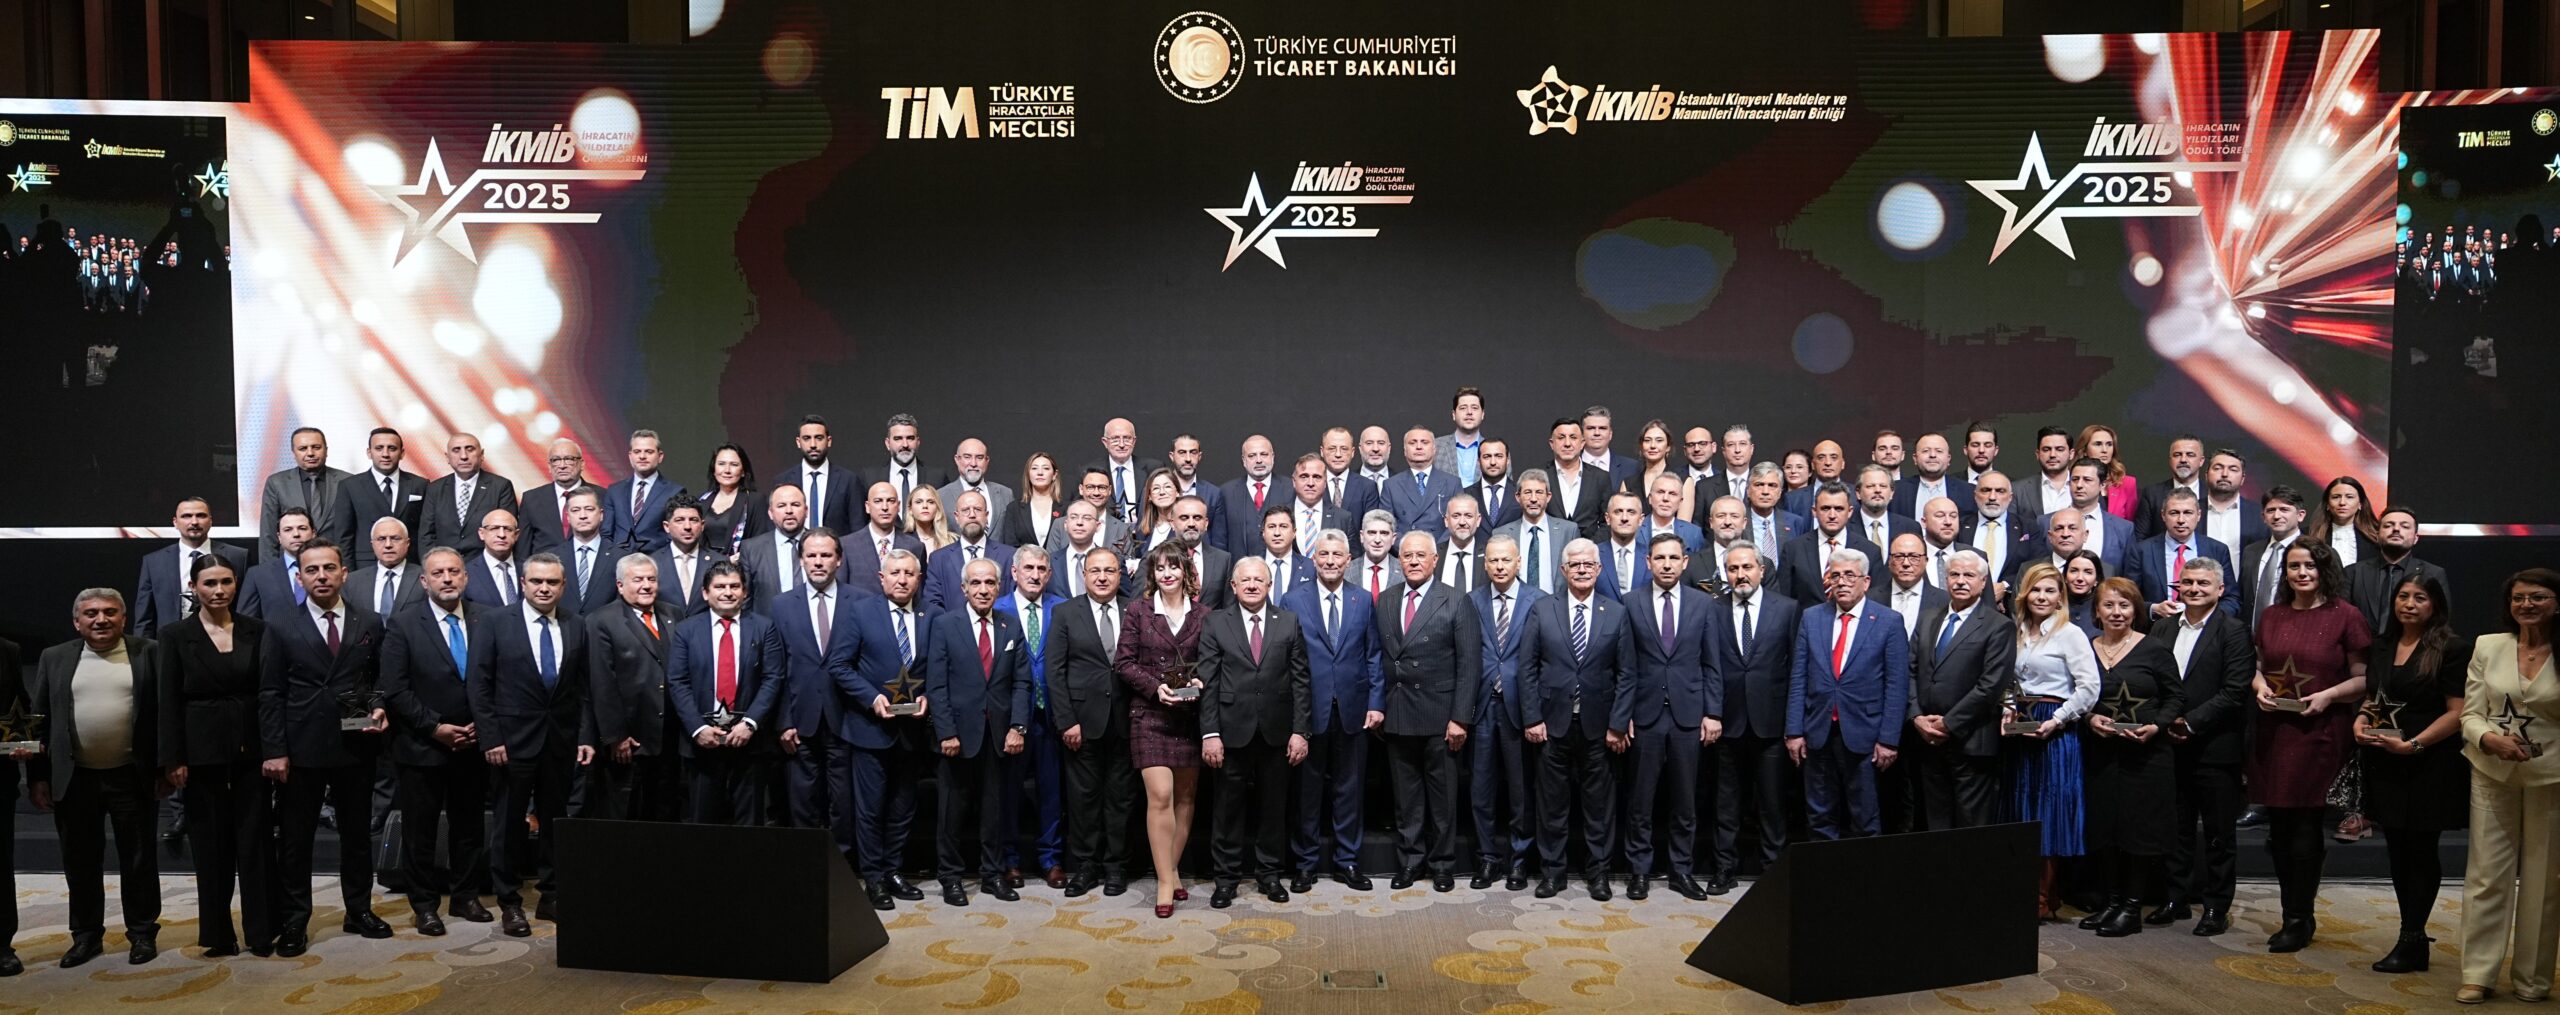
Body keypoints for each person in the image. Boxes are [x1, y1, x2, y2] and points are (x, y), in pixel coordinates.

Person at [258, 538, 393, 955]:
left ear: (343, 573)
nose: (321, 576)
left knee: (357, 835)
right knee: (296, 840)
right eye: (312, 570)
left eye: (329, 568)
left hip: (356, 741)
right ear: (299, 578)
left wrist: (380, 705)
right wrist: (274, 750)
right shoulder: (279, 623)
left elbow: (378, 678)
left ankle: (359, 910)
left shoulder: (370, 621)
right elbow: (270, 692)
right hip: (301, 747)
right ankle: (295, 920)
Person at [29, 588, 165, 968]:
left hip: (132, 776)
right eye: (91, 613)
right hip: (75, 779)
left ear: (124, 618)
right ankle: (86, 936)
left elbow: (164, 715)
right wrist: (38, 777)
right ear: (77, 622)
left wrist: (164, 768)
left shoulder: (150, 652)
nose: (100, 619)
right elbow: (39, 720)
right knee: (80, 862)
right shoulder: (54, 657)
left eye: (109, 612)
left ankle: (142, 933)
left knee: (138, 859)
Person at [2248, 540, 2371, 953]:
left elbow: (2363, 678)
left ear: (2324, 570)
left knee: (2304, 826)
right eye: (2293, 566)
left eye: (2310, 566)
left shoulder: (2346, 616)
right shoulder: (2271, 615)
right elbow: (2259, 667)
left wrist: (2329, 696)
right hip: (2274, 732)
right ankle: (2293, 911)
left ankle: (2299, 918)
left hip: (2320, 732)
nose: (2301, 573)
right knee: (2279, 828)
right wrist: (2259, 687)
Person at [155, 555, 274, 956]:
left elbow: (268, 692)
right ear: (193, 587)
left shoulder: (257, 629)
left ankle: (261, 932)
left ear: (236, 584)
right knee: (210, 846)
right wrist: (173, 758)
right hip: (199, 754)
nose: (219, 590)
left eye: (226, 582)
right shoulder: (174, 635)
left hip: (251, 749)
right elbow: (168, 700)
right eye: (209, 583)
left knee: (256, 843)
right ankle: (219, 935)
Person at [467, 552, 588, 936]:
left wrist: (584, 736)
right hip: (510, 743)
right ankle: (510, 901)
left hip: (559, 742)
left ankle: (552, 894)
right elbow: (479, 684)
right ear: (523, 583)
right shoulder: (495, 622)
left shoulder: (576, 624)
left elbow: (583, 687)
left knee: (554, 820)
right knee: (508, 824)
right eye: (536, 581)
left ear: (563, 586)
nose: (544, 588)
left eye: (552, 582)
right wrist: (491, 737)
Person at [375, 547, 493, 936]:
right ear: (424, 581)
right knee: (420, 831)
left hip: (472, 743)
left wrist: (480, 725)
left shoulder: (486, 618)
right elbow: (395, 688)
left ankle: (465, 897)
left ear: (465, 577)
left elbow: (497, 677)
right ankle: (424, 905)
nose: (447, 578)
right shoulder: (404, 623)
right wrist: (435, 727)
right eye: (438, 573)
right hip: (421, 745)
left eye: (454, 571)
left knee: (469, 827)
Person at [2456, 569, 2560, 1004]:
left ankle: (2532, 979)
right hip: (2491, 771)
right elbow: (2470, 714)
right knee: (2486, 875)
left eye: (2538, 597)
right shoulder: (2488, 645)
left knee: (2544, 879)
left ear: (2557, 603)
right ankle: (2477, 973)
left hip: (2551, 777)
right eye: (2518, 598)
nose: (2526, 605)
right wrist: (2488, 739)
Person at [2355, 574, 2468, 974]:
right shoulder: (2383, 644)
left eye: (2420, 597)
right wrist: (2362, 718)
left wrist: (2416, 744)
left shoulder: (2452, 648)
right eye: (2403, 596)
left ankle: (2413, 937)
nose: (2409, 603)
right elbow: (2375, 696)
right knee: (2398, 850)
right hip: (2386, 761)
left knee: (2420, 851)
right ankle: (2411, 934)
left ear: (2434, 604)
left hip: (2429, 763)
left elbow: (2458, 712)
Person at [1520, 538, 1632, 899]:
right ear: (1563, 570)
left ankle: (1599, 874)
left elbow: (1627, 673)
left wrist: (1618, 723)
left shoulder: (1616, 612)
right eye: (1575, 564)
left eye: (1588, 564)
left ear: (1599, 569)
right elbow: (1527, 668)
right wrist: (1532, 718)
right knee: (1552, 805)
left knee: (1599, 807)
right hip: (1551, 725)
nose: (1582, 570)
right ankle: (1553, 873)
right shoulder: (1542, 609)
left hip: (1600, 728)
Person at [2148, 558, 2255, 936]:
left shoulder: (2234, 631)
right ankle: (2175, 898)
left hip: (2215, 747)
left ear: (2220, 589)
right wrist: (2164, 721)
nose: (2194, 589)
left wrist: (2190, 723)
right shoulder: (2162, 627)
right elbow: (2152, 681)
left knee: (2218, 833)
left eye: (2203, 583)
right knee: (2175, 827)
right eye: (2188, 582)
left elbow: (2235, 690)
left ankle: (2215, 906)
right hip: (2168, 745)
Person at [773, 530, 891, 872]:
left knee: (844, 799)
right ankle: (807, 867)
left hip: (848, 716)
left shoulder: (862, 601)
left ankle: (841, 868)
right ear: (801, 560)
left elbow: (867, 662)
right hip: (800, 717)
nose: (818, 562)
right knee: (803, 799)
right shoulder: (782, 605)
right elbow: (777, 668)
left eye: (826, 555)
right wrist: (783, 720)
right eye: (811, 555)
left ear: (839, 560)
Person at [1197, 558, 1312, 906]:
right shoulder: (1216, 622)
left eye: (1258, 580)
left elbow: (1301, 680)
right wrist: (1210, 733)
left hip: (1277, 733)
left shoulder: (1288, 621)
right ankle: (1226, 879)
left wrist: (1300, 731)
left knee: (1273, 808)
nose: (1251, 585)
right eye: (1244, 580)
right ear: (1233, 586)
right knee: (1227, 809)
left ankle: (1269, 875)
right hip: (1230, 732)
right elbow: (1208, 682)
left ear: (1269, 585)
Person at [1378, 531, 1483, 891]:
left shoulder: (1455, 600)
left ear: (1435, 560)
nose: (1413, 561)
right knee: (1406, 799)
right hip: (1398, 713)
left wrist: (1460, 718)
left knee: (1442, 798)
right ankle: (1410, 862)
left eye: (1421, 555)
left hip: (1441, 716)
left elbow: (1469, 664)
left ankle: (1441, 865)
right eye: (1407, 556)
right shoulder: (1387, 599)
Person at [2079, 577, 2184, 937]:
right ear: (2097, 610)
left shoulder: (2154, 649)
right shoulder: (2085, 648)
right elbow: (2076, 695)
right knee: (2105, 830)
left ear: (2136, 610)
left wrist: (2157, 725)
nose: (2116, 612)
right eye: (2108, 605)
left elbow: (2175, 697)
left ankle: (2131, 908)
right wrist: (2090, 718)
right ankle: (2111, 903)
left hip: (2146, 756)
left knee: (2137, 832)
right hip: (2101, 755)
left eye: (2124, 605)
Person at [1280, 529, 1383, 891]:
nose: (1330, 561)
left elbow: (1373, 654)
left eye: (1337, 555)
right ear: (1314, 559)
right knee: (1306, 792)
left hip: (1353, 709)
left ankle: (1347, 862)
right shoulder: (1293, 600)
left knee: (1349, 790)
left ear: (1348, 560)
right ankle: (1305, 864)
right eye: (1324, 554)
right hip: (1309, 710)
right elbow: (1287, 660)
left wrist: (1376, 702)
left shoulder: (1362, 599)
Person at [923, 558, 1029, 906]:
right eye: (976, 583)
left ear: (999, 587)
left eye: (989, 583)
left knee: (993, 811)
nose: (983, 590)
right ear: (963, 588)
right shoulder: (945, 624)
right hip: (956, 736)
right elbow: (936, 684)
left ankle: (992, 875)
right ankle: (950, 877)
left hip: (998, 736)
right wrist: (946, 732)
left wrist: (1017, 726)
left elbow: (1022, 682)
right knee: (951, 812)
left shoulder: (1010, 625)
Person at [1620, 532, 1718, 900]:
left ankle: (1682, 871)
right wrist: (1623, 714)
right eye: (1659, 558)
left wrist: (1712, 712)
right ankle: (1639, 871)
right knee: (1640, 800)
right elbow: (1624, 665)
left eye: (1673, 558)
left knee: (1685, 800)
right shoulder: (1630, 602)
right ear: (1648, 562)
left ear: (1685, 562)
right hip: (1644, 715)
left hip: (1688, 715)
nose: (1666, 564)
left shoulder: (1702, 603)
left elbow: (1711, 663)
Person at [1787, 547, 1907, 840]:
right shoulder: (1812, 617)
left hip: (1865, 733)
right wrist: (1794, 731)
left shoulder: (1888, 621)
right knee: (1819, 815)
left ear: (1866, 582)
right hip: (1818, 732)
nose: (1841, 582)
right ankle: (1824, 870)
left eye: (1850, 575)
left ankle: (1865, 871)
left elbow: (1896, 685)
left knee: (1865, 817)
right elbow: (1799, 677)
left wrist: (1888, 739)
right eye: (1835, 575)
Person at [2003, 561, 2101, 918]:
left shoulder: (2070, 634)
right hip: (2020, 726)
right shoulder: (2015, 631)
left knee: (2048, 810)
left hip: (2054, 728)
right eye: (2035, 589)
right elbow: (2007, 680)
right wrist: (2007, 709)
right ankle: (2021, 891)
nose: (2041, 597)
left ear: (2061, 596)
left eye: (2049, 590)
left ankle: (2043, 898)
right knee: (2021, 808)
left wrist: (2058, 720)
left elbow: (2089, 687)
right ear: (2024, 594)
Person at [1117, 543, 1206, 918]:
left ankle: (1172, 869)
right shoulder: (1138, 611)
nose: (1167, 574)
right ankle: (1166, 882)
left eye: (1173, 567)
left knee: (1185, 797)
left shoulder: (1204, 614)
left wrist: (1201, 681)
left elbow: (1211, 661)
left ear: (1186, 571)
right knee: (1161, 794)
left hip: (1188, 718)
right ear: (1151, 575)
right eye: (1160, 568)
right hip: (1148, 715)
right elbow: (1123, 662)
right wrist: (1156, 688)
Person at [1705, 543, 1798, 892]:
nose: (1740, 575)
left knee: (1772, 803)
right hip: (1726, 722)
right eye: (1733, 569)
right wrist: (1711, 712)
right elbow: (1707, 666)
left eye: (1747, 567)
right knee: (1725, 803)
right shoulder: (1713, 609)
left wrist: (1793, 725)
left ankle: (1773, 872)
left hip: (1771, 723)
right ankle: (1724, 869)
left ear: (1761, 570)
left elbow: (1796, 668)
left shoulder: (1787, 609)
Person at [666, 562, 786, 825]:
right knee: (702, 824)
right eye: (720, 586)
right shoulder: (686, 630)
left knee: (749, 826)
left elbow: (773, 678)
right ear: (705, 593)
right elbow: (677, 681)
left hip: (750, 743)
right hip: (702, 744)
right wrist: (697, 728)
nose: (728, 592)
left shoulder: (764, 628)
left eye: (734, 586)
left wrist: (750, 723)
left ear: (745, 592)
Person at [1905, 547, 2016, 831]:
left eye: (1969, 575)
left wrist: (1948, 724)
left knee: (1970, 829)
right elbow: (1910, 670)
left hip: (1971, 742)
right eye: (1954, 575)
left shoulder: (1998, 626)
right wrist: (1917, 717)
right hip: (1927, 740)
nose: (1961, 581)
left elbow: (1990, 686)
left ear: (1983, 581)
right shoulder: (1928, 618)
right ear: (1946, 580)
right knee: (1935, 825)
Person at [1047, 547, 1136, 898]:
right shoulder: (1066, 612)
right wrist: (1066, 720)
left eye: (1109, 571)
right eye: (1095, 571)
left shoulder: (1135, 609)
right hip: (1081, 724)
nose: (1102, 577)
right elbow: (1055, 671)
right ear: (1084, 575)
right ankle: (1085, 866)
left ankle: (1116, 866)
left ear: (1119, 575)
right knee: (1083, 799)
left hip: (1126, 721)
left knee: (1121, 798)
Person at [856, 550, 935, 908]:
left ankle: (893, 870)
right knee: (871, 808)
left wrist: (929, 697)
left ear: (919, 579)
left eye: (909, 573)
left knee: (903, 807)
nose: (902, 580)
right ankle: (873, 877)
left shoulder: (932, 615)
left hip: (912, 731)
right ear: (881, 577)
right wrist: (871, 697)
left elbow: (938, 666)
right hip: (871, 729)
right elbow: (841, 665)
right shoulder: (860, 612)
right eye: (895, 573)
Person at [583, 553, 684, 822]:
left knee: (664, 815)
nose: (646, 586)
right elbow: (601, 682)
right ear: (620, 585)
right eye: (638, 580)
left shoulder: (673, 613)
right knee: (625, 815)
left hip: (669, 737)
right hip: (629, 738)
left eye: (651, 579)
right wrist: (615, 735)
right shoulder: (601, 620)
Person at [1467, 534, 1542, 890]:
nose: (1499, 566)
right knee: (1481, 789)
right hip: (1481, 706)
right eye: (1493, 560)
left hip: (1520, 708)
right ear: (1485, 564)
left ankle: (1519, 861)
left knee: (1520, 790)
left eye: (1506, 560)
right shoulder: (1472, 600)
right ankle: (1487, 859)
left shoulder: (1538, 601)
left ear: (1518, 562)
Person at [993, 547, 1067, 887]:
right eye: (1028, 568)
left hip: (1052, 716)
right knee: (1009, 793)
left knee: (1052, 792)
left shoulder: (1062, 608)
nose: (1035, 575)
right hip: (1011, 718)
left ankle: (1051, 859)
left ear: (1049, 574)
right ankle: (1010, 860)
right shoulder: (998, 609)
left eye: (1041, 569)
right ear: (1014, 572)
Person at [132, 496, 249, 636]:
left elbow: (246, 609)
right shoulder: (154, 562)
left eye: (201, 516)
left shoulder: (237, 557)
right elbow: (144, 617)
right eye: (186, 516)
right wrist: (144, 648)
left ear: (210, 520)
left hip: (224, 638)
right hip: (171, 642)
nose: (194, 522)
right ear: (175, 522)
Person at [325, 427, 427, 569]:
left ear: (402, 453)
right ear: (369, 452)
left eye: (392, 448)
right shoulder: (350, 486)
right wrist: (349, 573)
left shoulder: (420, 485)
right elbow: (344, 537)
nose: (385, 454)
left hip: (411, 565)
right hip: (366, 566)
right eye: (379, 448)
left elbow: (425, 533)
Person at [2347, 507, 2451, 634]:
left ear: (2415, 538)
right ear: (2377, 536)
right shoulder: (2353, 572)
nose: (2396, 529)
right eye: (2388, 525)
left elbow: (2441, 622)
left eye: (2405, 526)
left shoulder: (2433, 573)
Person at [420, 432, 517, 559]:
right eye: (456, 450)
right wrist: (433, 564)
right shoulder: (435, 489)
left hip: (485, 564)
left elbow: (507, 532)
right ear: (447, 457)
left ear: (481, 455)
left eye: (470, 449)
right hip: (444, 565)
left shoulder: (500, 486)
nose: (464, 456)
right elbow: (426, 535)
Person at [259, 427, 348, 564]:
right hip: (291, 565)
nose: (310, 453)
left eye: (316, 447)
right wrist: (269, 571)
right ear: (293, 452)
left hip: (336, 563)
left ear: (326, 450)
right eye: (303, 448)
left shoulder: (347, 481)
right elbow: (268, 534)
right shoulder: (277, 483)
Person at [925, 490, 1014, 614]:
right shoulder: (939, 559)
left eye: (977, 509)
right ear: (956, 517)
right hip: (953, 625)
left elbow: (1014, 600)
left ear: (986, 516)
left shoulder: (1009, 556)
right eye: (965, 510)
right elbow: (932, 603)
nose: (972, 515)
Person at [603, 429, 687, 554]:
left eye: (649, 451)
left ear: (660, 456)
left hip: (656, 560)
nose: (642, 456)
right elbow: (606, 533)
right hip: (619, 561)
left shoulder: (674, 491)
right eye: (637, 452)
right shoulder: (615, 491)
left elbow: (676, 534)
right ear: (630, 456)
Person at [860, 413, 954, 524]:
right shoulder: (869, 478)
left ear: (918, 442)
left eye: (910, 438)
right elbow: (861, 521)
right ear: (888, 443)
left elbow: (944, 520)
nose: (905, 444)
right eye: (898, 439)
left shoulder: (937, 478)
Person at [776, 414, 859, 534]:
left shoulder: (849, 480)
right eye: (806, 438)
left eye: (819, 438)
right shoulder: (783, 480)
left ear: (829, 441)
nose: (813, 445)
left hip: (839, 545)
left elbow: (858, 528)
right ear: (798, 442)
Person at [738, 484, 811, 610]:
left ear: (806, 511)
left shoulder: (824, 545)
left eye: (795, 505)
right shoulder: (751, 549)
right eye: (781, 506)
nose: (789, 511)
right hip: (768, 621)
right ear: (770, 513)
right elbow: (744, 600)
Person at [1384, 426, 1461, 538]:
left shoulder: (1452, 483)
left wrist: (1438, 547)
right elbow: (1386, 526)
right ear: (1405, 450)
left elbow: (1459, 522)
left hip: (1440, 546)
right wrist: (1407, 546)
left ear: (1434, 449)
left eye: (1424, 442)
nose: (1419, 447)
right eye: (1412, 443)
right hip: (1405, 547)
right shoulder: (1391, 485)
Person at [2131, 435, 2207, 540]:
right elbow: (2140, 538)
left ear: (2201, 461)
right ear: (2170, 460)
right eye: (2177, 455)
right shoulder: (2152, 495)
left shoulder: (2211, 494)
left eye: (2190, 455)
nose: (2183, 460)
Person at [649, 495, 715, 617]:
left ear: (702, 525)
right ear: (666, 526)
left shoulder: (718, 562)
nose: (687, 527)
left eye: (693, 520)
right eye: (679, 520)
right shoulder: (652, 563)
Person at [697, 443, 765, 558]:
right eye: (721, 464)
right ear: (714, 469)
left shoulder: (755, 500)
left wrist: (735, 560)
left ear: (743, 471)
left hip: (740, 565)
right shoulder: (702, 499)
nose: (727, 470)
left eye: (734, 465)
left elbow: (760, 542)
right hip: (704, 564)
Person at [0, 631, 22, 976]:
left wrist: (22, 742)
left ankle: (1, 944)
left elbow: (20, 707)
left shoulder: (7, 651)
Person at [940, 438, 1015, 538]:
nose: (973, 463)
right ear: (957, 460)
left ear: (987, 461)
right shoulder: (941, 496)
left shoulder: (1005, 494)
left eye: (979, 457)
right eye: (967, 457)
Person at [2305, 476, 2382, 568]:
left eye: (2349, 497)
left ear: (2360, 504)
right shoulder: (2308, 535)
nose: (2342, 502)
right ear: (2327, 504)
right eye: (2336, 497)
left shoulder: (2376, 537)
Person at [461, 509, 524, 610]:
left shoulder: (528, 569)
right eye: (494, 528)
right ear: (481, 533)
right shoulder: (466, 572)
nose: (501, 535)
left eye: (508, 529)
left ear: (516, 535)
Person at [1001, 451, 1066, 550]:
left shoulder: (1067, 508)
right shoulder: (1014, 509)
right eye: (1034, 468)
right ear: (1028, 474)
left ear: (1054, 475)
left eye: (1046, 468)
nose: (1040, 473)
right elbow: (1010, 547)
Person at [2074, 424, 2138, 521]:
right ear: (2085, 450)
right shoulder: (2074, 481)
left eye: (2109, 444)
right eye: (2098, 444)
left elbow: (2130, 524)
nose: (2104, 450)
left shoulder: (2127, 483)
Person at [1432, 386, 1489, 486]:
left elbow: (1507, 489)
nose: (1469, 412)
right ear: (1454, 414)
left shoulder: (1496, 450)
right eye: (1463, 408)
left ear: (1482, 414)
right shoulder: (1435, 447)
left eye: (1474, 408)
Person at [1463, 438, 1518, 530]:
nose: (1493, 462)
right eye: (1487, 457)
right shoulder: (1465, 494)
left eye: (1499, 456)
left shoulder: (1520, 493)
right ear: (1478, 461)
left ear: (1507, 460)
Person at [905, 485, 955, 555]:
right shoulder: (902, 541)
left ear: (937, 507)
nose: (925, 506)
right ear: (910, 509)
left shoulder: (952, 541)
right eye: (919, 502)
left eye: (930, 502)